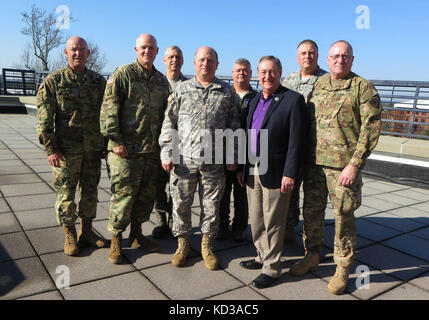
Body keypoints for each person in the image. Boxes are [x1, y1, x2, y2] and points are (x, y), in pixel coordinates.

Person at [289, 40, 382, 295]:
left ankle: (342, 267)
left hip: (343, 170)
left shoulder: (363, 88)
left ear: (352, 59)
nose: (339, 60)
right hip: (315, 166)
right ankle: (312, 255)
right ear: (327, 60)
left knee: (343, 217)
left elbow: (370, 130)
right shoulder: (319, 86)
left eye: (344, 56)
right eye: (335, 56)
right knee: (311, 213)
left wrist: (354, 164)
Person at [159, 46, 241, 270]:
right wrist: (167, 152)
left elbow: (235, 127)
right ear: (195, 63)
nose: (206, 63)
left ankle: (207, 244)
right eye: (202, 60)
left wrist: (235, 155)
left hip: (214, 163)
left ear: (217, 64)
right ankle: (182, 244)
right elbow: (169, 123)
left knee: (212, 206)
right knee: (181, 205)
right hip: (184, 161)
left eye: (210, 60)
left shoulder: (227, 92)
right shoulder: (181, 90)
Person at [100, 34, 170, 264]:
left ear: (157, 51)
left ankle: (138, 234)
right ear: (135, 49)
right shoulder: (123, 74)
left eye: (151, 48)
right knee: (123, 196)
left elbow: (167, 116)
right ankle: (117, 239)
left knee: (145, 197)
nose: (147, 51)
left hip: (151, 151)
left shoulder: (161, 81)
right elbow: (109, 109)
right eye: (143, 47)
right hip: (125, 150)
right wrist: (116, 140)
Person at [238, 56, 305, 289]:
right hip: (253, 167)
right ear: (258, 74)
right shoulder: (254, 100)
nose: (268, 76)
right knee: (256, 218)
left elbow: (296, 142)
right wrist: (241, 167)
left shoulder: (293, 100)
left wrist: (290, 172)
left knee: (273, 221)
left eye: (272, 72)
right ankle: (261, 255)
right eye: (263, 72)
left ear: (280, 73)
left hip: (277, 170)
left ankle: (273, 267)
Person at [36, 36, 107, 256]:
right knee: (66, 194)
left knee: (90, 192)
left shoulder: (98, 82)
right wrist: (51, 149)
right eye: (73, 50)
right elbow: (44, 119)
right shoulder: (53, 81)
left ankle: (86, 231)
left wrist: (105, 143)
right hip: (66, 152)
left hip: (92, 150)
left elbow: (107, 113)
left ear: (88, 54)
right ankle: (69, 233)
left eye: (81, 50)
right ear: (66, 53)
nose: (77, 53)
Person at [281, 40, 328, 244]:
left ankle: (312, 243)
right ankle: (289, 228)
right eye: (303, 53)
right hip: (291, 147)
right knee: (288, 192)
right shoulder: (288, 80)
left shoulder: (327, 80)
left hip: (316, 149)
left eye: (311, 53)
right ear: (297, 56)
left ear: (317, 55)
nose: (307, 56)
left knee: (313, 198)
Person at [218, 58, 257, 242]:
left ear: (250, 74)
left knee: (242, 195)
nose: (241, 73)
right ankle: (221, 226)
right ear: (232, 73)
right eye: (238, 70)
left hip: (247, 153)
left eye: (245, 70)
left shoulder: (256, 98)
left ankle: (239, 228)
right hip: (223, 152)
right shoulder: (223, 94)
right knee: (222, 194)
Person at [152, 46, 188, 239]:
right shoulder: (155, 82)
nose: (174, 60)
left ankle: (175, 221)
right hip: (156, 143)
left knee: (177, 187)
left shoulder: (188, 85)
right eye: (171, 57)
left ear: (182, 61)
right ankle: (160, 221)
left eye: (178, 57)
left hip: (180, 146)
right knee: (158, 186)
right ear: (164, 60)